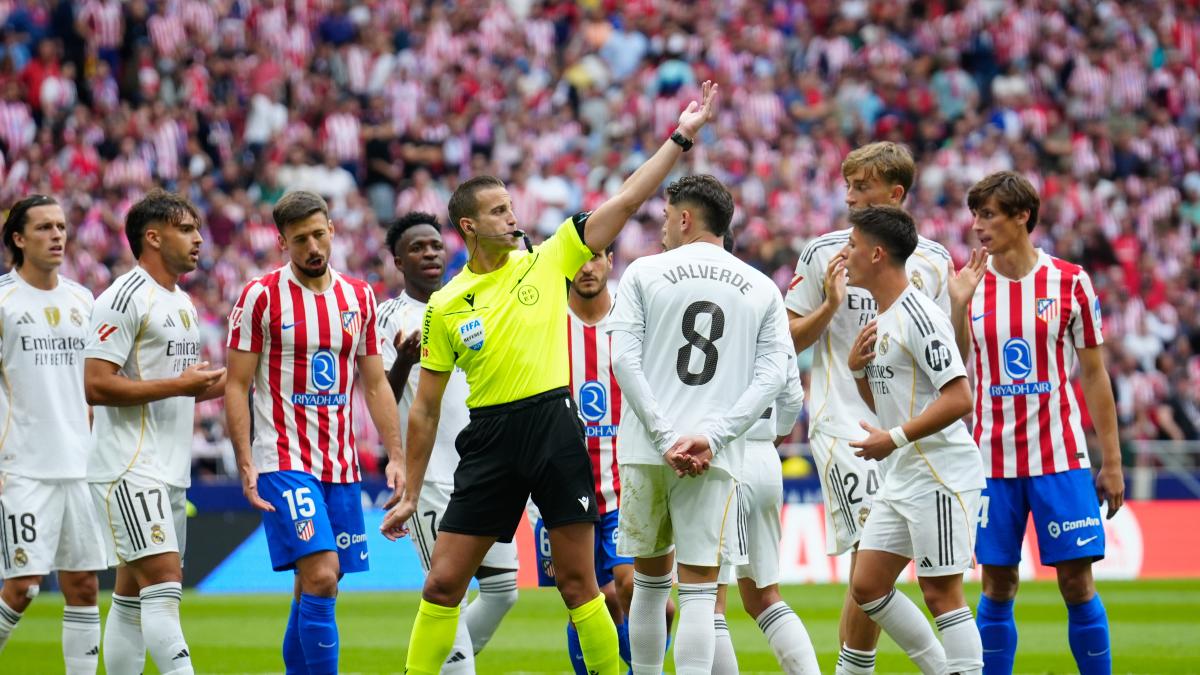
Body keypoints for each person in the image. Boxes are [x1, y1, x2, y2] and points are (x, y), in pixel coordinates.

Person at [381, 81, 721, 675]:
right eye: (498, 212)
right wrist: (410, 490)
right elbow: (425, 408)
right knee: (441, 584)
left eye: (511, 207)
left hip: (553, 427)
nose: (513, 217)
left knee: (579, 585)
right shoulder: (447, 306)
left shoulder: (548, 258)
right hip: (488, 442)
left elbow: (625, 199)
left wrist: (680, 137)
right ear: (468, 227)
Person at [608, 174, 794, 675]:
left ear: (686, 218)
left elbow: (623, 361)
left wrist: (666, 437)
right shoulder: (760, 286)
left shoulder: (642, 273)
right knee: (697, 593)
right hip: (716, 456)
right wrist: (713, 435)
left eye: (668, 217)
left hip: (646, 450)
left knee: (647, 586)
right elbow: (774, 376)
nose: (664, 228)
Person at [784, 141, 952, 674]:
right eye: (848, 186)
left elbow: (946, 356)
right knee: (868, 561)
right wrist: (831, 305)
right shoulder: (823, 253)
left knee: (899, 577)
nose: (851, 196)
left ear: (895, 193)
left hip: (909, 434)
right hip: (844, 427)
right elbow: (788, 339)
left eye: (863, 187)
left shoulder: (936, 261)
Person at [948, 172, 1124, 675]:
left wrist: (1111, 461)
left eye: (989, 214)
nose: (978, 226)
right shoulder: (968, 284)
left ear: (1022, 215)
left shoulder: (1070, 282)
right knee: (997, 585)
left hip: (1060, 457)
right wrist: (958, 307)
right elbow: (953, 369)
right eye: (975, 215)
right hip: (990, 461)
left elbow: (1094, 376)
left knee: (1076, 583)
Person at [225, 190, 403, 675]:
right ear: (282, 242)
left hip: (340, 466)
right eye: (300, 238)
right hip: (282, 460)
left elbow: (375, 383)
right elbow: (237, 386)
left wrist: (397, 455)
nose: (313, 246)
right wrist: (245, 462)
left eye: (319, 234)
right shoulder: (259, 297)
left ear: (332, 230)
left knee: (317, 585)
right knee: (322, 576)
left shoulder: (358, 297)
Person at [84, 190, 225, 675]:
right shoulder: (123, 297)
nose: (198, 239)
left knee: (130, 594)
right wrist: (182, 383)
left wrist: (240, 376)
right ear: (152, 236)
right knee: (165, 588)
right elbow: (96, 384)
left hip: (169, 470)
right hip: (129, 465)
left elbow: (182, 389)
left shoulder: (182, 302)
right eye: (186, 229)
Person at [843, 205, 985, 675]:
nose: (847, 254)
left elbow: (960, 397)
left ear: (878, 254)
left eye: (854, 245)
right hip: (902, 473)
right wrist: (858, 372)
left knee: (941, 593)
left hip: (939, 473)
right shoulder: (884, 317)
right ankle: (941, 669)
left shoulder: (921, 316)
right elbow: (887, 401)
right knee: (866, 586)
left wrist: (895, 438)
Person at [377, 211, 520, 670]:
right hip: (432, 476)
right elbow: (381, 396)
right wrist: (403, 361)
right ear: (399, 262)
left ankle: (440, 663)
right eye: (417, 248)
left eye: (436, 245)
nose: (430, 254)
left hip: (486, 470)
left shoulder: (467, 300)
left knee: (503, 592)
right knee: (447, 593)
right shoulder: (390, 317)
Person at [526, 244, 676, 674]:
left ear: (610, 260)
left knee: (639, 593)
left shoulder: (632, 326)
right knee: (587, 599)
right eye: (578, 259)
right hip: (560, 491)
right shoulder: (547, 326)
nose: (587, 268)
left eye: (596, 257)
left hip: (624, 488)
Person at [0, 195, 106, 674]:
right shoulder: (3, 301)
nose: (57, 235)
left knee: (84, 585)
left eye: (61, 226)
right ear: (18, 239)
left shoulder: (82, 299)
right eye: (44, 227)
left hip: (79, 467)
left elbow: (91, 385)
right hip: (22, 467)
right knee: (21, 587)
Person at [711, 228, 819, 675]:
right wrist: (772, 434)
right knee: (764, 596)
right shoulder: (765, 297)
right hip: (763, 459)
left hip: (718, 459)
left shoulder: (688, 299)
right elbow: (792, 392)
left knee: (706, 601)